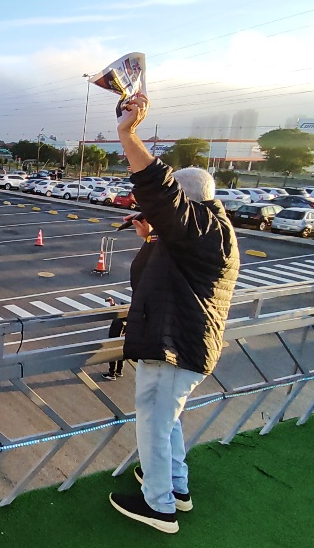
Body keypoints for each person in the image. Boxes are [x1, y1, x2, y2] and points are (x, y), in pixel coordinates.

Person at [107, 93, 240, 534]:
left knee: (154, 425)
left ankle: (159, 506)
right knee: (167, 421)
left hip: (174, 347)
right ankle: (175, 487)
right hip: (184, 343)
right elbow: (149, 280)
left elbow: (162, 192)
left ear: (187, 206)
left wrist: (128, 134)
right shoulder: (208, 233)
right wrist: (152, 238)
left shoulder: (201, 231)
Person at [101, 297, 126, 379]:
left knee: (112, 355)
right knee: (121, 354)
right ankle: (119, 371)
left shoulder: (120, 320)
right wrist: (112, 303)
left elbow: (116, 311)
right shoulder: (126, 318)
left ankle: (112, 373)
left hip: (114, 339)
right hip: (122, 340)